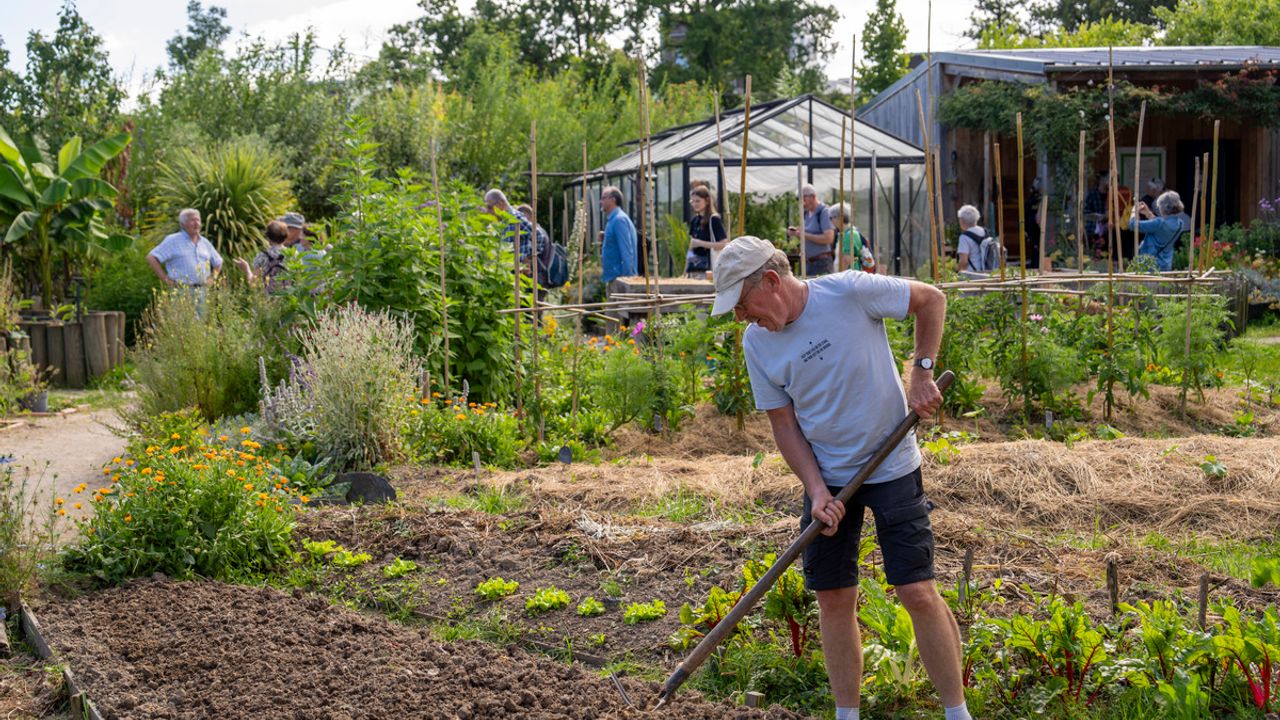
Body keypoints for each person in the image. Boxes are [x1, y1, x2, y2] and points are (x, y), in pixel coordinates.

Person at [708, 236, 968, 720]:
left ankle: (957, 713)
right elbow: (783, 424)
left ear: (770, 281)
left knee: (916, 591)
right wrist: (817, 490)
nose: (742, 318)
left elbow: (932, 298)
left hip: (890, 464)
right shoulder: (757, 343)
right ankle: (846, 715)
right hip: (827, 477)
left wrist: (921, 372)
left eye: (742, 305)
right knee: (833, 597)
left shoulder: (848, 292)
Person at [147, 208, 223, 289]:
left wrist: (212, 278)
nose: (196, 223)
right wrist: (166, 280)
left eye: (198, 220)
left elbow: (218, 262)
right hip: (181, 291)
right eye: (192, 220)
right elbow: (151, 258)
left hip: (203, 291)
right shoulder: (173, 240)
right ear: (183, 224)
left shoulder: (205, 243)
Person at [1130, 190, 1187, 272]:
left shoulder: (1159, 223)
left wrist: (1134, 211)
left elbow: (1133, 225)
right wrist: (1148, 213)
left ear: (1164, 207)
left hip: (1149, 265)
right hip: (1166, 265)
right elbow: (1161, 226)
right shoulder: (1180, 224)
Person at [787, 184, 835, 276]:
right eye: (799, 200)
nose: (802, 203)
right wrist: (797, 232)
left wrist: (803, 235)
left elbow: (829, 238)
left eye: (803, 200)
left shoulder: (824, 212)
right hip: (808, 262)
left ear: (813, 197)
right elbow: (808, 233)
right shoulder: (806, 213)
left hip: (821, 263)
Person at [232, 220, 290, 291]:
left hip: (269, 300)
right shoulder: (293, 255)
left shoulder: (262, 256)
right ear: (285, 237)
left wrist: (246, 269)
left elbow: (253, 284)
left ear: (268, 238)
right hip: (290, 299)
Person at [599, 186, 638, 290]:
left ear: (613, 200)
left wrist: (627, 281)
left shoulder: (619, 220)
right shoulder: (613, 220)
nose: (600, 201)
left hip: (620, 278)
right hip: (614, 277)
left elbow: (626, 251)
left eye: (603, 198)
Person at [684, 186, 728, 277]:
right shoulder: (695, 220)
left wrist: (701, 243)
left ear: (707, 200)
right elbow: (691, 247)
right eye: (693, 201)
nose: (695, 204)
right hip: (695, 268)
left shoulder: (714, 219)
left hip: (710, 269)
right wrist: (685, 271)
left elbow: (724, 244)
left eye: (698, 201)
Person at [831, 203, 874, 273]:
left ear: (839, 217)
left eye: (831, 217)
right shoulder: (842, 234)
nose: (831, 220)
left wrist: (839, 278)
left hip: (850, 276)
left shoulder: (849, 234)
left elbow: (846, 260)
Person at [955, 205, 995, 273]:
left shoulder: (964, 237)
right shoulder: (985, 231)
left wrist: (956, 273)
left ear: (962, 221)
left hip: (973, 274)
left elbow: (964, 262)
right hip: (987, 271)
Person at [1083, 172, 1110, 256]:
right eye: (1108, 180)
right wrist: (1101, 217)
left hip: (1108, 231)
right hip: (1093, 229)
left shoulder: (1111, 194)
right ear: (1102, 181)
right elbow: (1086, 212)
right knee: (1094, 253)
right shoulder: (1092, 194)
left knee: (1106, 254)